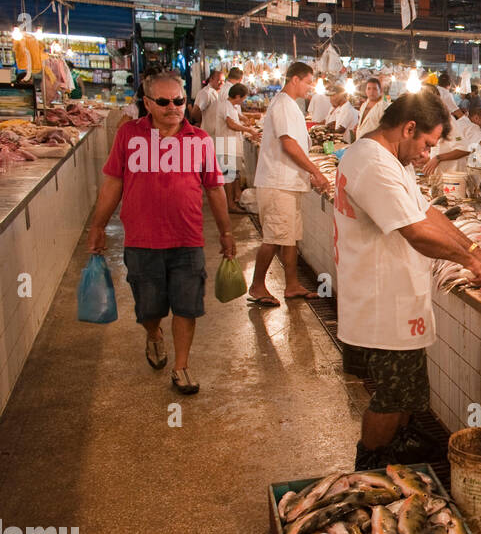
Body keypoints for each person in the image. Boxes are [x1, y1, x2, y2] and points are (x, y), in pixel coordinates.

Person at [336, 92, 481, 470]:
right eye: (426, 143)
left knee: (408, 392)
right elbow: (416, 232)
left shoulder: (391, 158)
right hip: (380, 303)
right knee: (393, 397)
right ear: (408, 128)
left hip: (395, 300)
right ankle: (369, 468)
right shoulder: (372, 164)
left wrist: (476, 250)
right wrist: (467, 261)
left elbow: (425, 211)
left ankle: (400, 451)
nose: (426, 153)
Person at [85, 71, 236, 395]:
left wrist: (226, 232)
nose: (173, 107)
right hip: (142, 241)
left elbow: (214, 188)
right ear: (148, 103)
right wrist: (98, 226)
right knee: (149, 308)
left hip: (188, 239)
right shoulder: (129, 135)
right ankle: (153, 334)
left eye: (179, 100)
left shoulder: (200, 140)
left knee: (187, 306)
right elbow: (113, 182)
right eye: (164, 101)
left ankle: (181, 367)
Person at [248, 62, 329, 307]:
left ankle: (292, 284)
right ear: (295, 79)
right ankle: (257, 285)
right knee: (274, 236)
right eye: (307, 82)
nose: (310, 88)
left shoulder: (291, 106)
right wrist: (316, 171)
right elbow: (288, 144)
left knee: (289, 236)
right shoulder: (283, 104)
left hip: (288, 182)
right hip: (277, 183)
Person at [421, 98, 481, 176]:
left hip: (443, 171)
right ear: (476, 118)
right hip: (453, 172)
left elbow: (479, 134)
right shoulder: (472, 127)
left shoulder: (463, 122)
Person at [207, 82, 253, 213]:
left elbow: (235, 118)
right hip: (226, 145)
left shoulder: (231, 106)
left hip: (231, 145)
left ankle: (235, 199)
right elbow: (231, 124)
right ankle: (230, 205)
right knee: (228, 177)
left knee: (234, 176)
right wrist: (248, 129)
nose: (243, 100)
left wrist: (244, 118)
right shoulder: (225, 105)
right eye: (243, 98)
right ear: (237, 96)